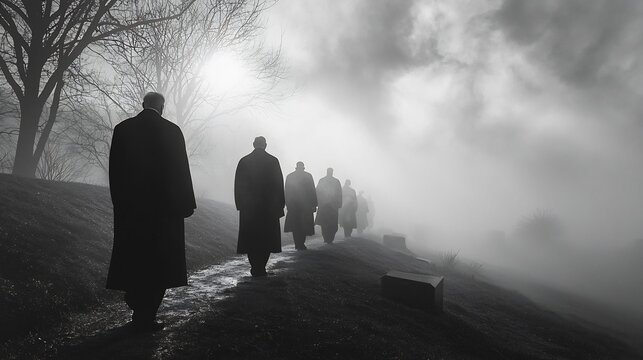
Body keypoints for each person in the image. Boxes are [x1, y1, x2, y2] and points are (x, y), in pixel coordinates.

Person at [106, 92, 196, 332]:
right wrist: (187, 203)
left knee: (134, 257)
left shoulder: (123, 129)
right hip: (164, 212)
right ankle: (147, 313)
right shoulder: (172, 131)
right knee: (160, 262)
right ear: (162, 107)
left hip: (132, 209)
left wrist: (119, 201)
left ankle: (136, 302)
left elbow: (114, 170)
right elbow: (181, 171)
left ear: (143, 104)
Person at [234, 136, 285, 277]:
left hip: (249, 207)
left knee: (251, 237)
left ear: (253, 144)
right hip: (269, 207)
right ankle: (261, 266)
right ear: (265, 145)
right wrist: (280, 205)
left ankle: (255, 266)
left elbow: (238, 184)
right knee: (266, 238)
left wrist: (240, 204)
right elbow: (279, 185)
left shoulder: (244, 161)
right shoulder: (273, 161)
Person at [284, 161, 317, 250]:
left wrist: (287, 203)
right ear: (303, 167)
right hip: (305, 205)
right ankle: (300, 243)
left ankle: (298, 243)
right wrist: (314, 204)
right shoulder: (308, 176)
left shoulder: (290, 176)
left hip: (294, 205)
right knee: (303, 225)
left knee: (296, 225)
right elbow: (312, 191)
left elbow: (287, 191)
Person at [314, 168, 342, 244]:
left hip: (327, 206)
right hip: (329, 206)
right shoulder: (335, 181)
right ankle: (328, 238)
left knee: (327, 223)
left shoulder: (323, 180)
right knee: (327, 223)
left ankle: (328, 238)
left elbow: (317, 191)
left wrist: (318, 202)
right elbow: (318, 191)